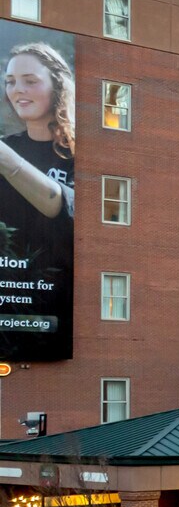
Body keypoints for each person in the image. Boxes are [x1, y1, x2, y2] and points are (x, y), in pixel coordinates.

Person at [0, 42, 76, 361]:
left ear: (58, 86)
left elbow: (56, 203)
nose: (19, 90)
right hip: (9, 301)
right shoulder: (8, 145)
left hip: (60, 307)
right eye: (11, 82)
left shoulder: (79, 154)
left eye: (30, 81)